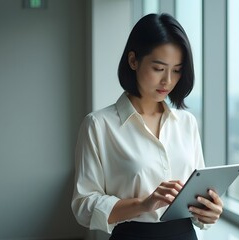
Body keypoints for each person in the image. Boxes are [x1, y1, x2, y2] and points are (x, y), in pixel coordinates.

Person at [71, 13, 223, 240]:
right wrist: (143, 203)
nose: (168, 81)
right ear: (133, 61)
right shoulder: (99, 125)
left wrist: (208, 213)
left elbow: (197, 194)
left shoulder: (186, 123)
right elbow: (83, 206)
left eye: (177, 70)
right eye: (159, 68)